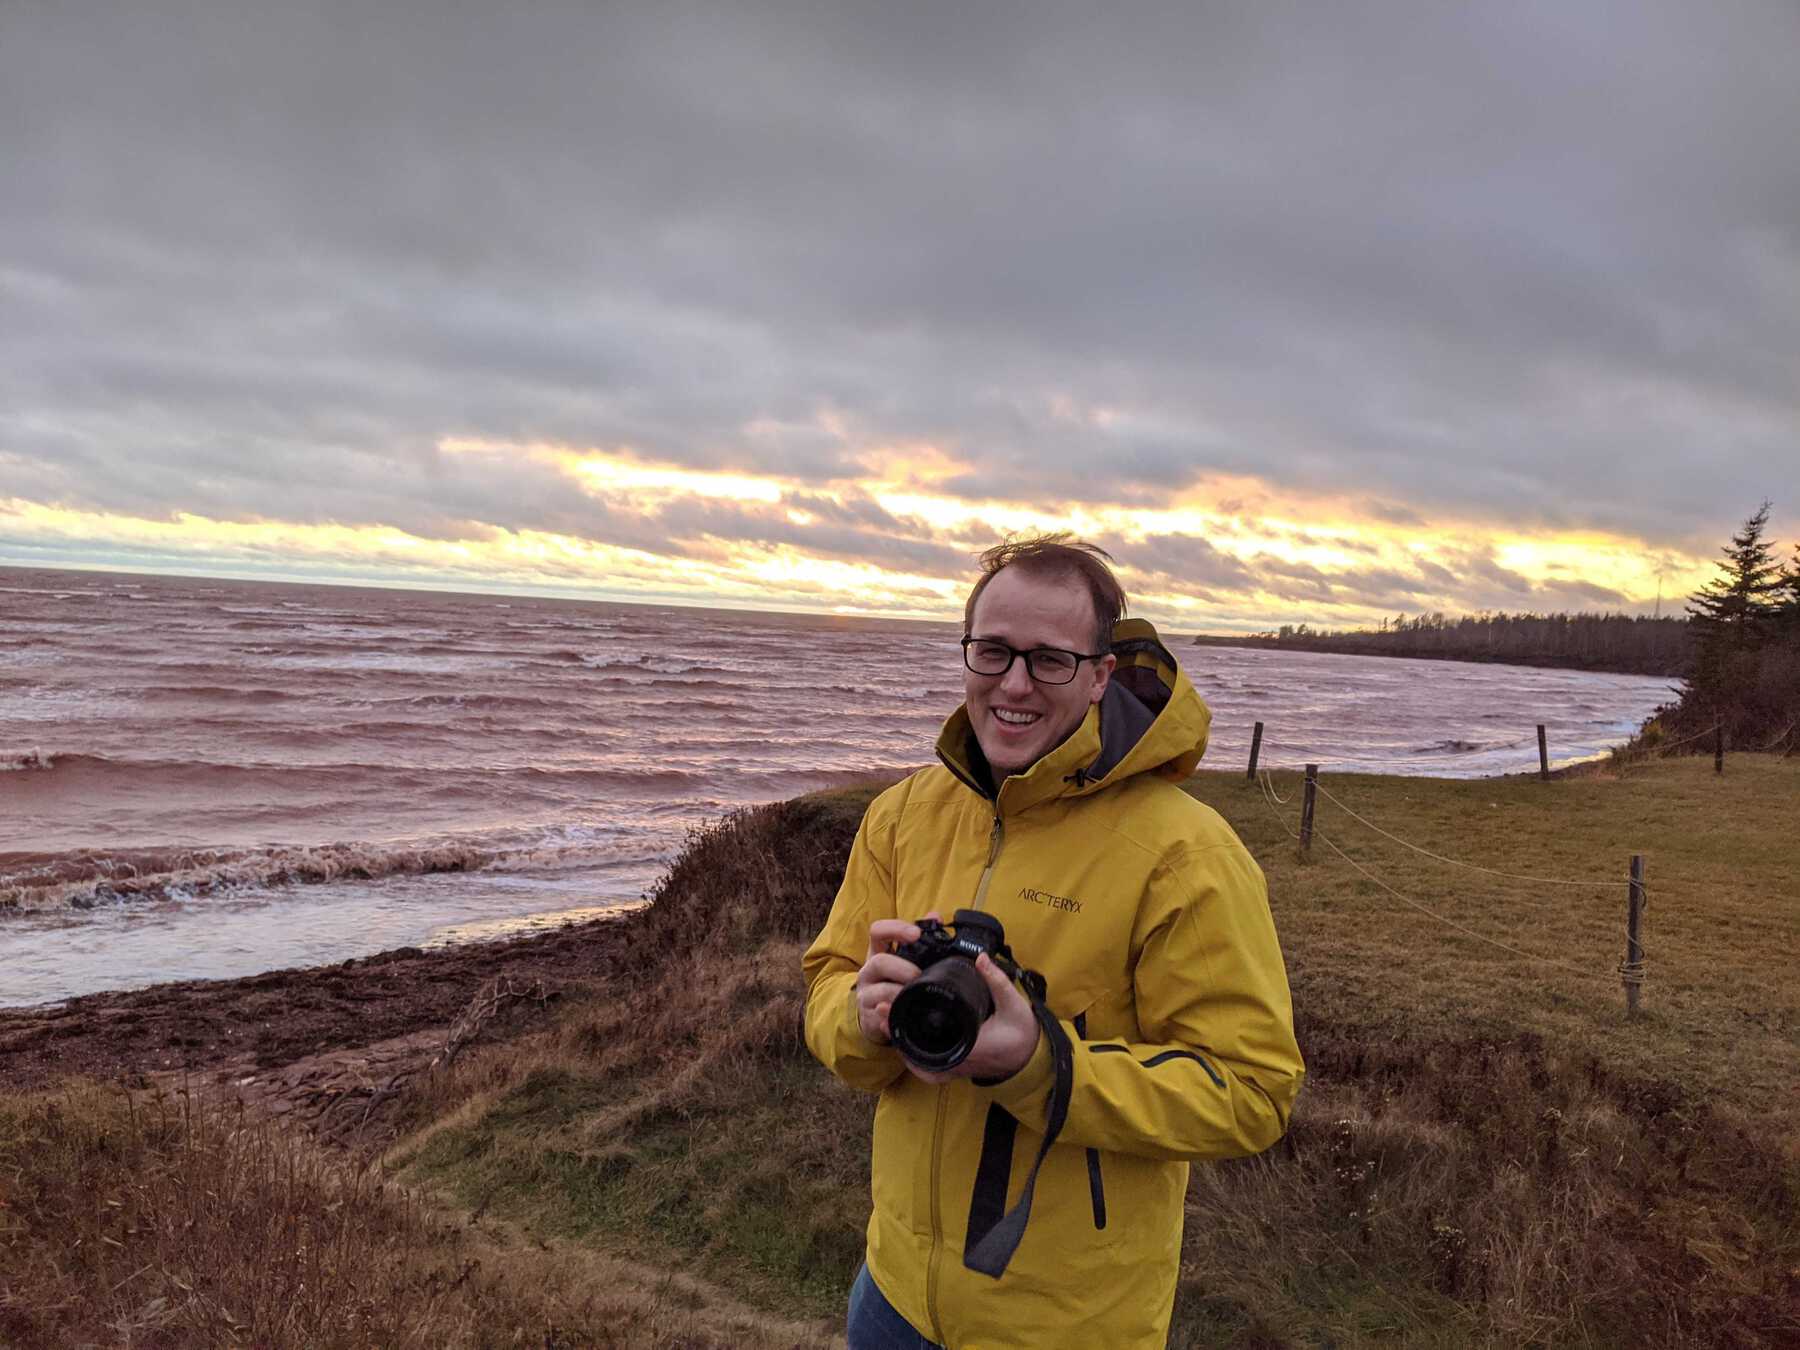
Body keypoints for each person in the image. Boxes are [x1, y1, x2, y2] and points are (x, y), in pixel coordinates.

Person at [802, 534, 1304, 1350]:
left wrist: (1039, 1064)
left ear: (1103, 672)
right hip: (892, 1291)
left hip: (1069, 1324)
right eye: (993, 652)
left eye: (1050, 661)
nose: (1014, 684)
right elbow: (828, 979)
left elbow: (1251, 1091)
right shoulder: (902, 815)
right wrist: (862, 1021)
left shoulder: (1186, 856)